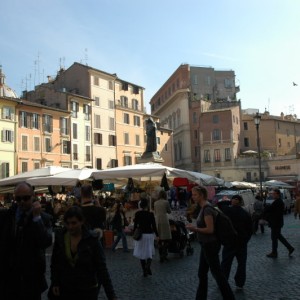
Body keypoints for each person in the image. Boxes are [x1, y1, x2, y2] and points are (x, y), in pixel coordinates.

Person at [49, 206, 117, 300]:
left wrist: (111, 295)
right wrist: (55, 282)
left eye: (74, 223)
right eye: (67, 223)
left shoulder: (92, 240)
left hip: (86, 290)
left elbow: (102, 268)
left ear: (82, 221)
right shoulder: (61, 237)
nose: (70, 227)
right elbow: (55, 262)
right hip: (66, 288)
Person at [0, 181, 52, 300]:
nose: (22, 202)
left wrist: (37, 218)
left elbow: (45, 241)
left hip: (32, 279)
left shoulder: (43, 218)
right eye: (18, 199)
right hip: (9, 279)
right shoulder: (7, 216)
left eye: (26, 198)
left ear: (33, 197)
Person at [185, 186, 235, 300]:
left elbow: (210, 229)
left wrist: (194, 229)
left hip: (210, 244)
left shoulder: (207, 209)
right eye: (192, 194)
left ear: (201, 195)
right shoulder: (203, 208)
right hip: (205, 244)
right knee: (202, 273)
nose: (193, 197)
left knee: (217, 274)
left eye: (195, 195)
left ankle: (229, 297)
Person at [221, 195, 253, 290]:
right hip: (241, 242)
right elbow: (250, 229)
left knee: (226, 263)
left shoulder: (227, 211)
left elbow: (220, 204)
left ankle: (223, 281)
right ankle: (240, 282)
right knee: (241, 264)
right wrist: (246, 240)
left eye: (233, 199)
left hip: (230, 242)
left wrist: (227, 201)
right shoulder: (245, 213)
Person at [264, 189, 294, 258]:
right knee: (278, 237)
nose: (272, 195)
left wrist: (267, 208)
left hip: (276, 223)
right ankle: (289, 248)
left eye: (274, 194)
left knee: (275, 238)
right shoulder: (278, 201)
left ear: (277, 194)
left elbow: (273, 211)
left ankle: (275, 252)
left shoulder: (278, 202)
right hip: (277, 223)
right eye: (272, 194)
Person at [133, 197, 159, 277]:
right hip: (149, 234)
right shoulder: (150, 214)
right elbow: (154, 226)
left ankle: (144, 270)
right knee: (149, 251)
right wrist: (157, 235)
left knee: (141, 253)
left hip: (141, 234)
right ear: (147, 206)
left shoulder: (137, 214)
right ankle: (148, 266)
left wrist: (134, 232)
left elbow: (135, 225)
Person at [154, 190, 172, 262]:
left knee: (160, 239)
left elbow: (155, 211)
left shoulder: (155, 203)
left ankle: (161, 255)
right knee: (167, 238)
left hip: (157, 220)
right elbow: (169, 211)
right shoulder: (166, 202)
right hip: (164, 220)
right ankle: (164, 255)